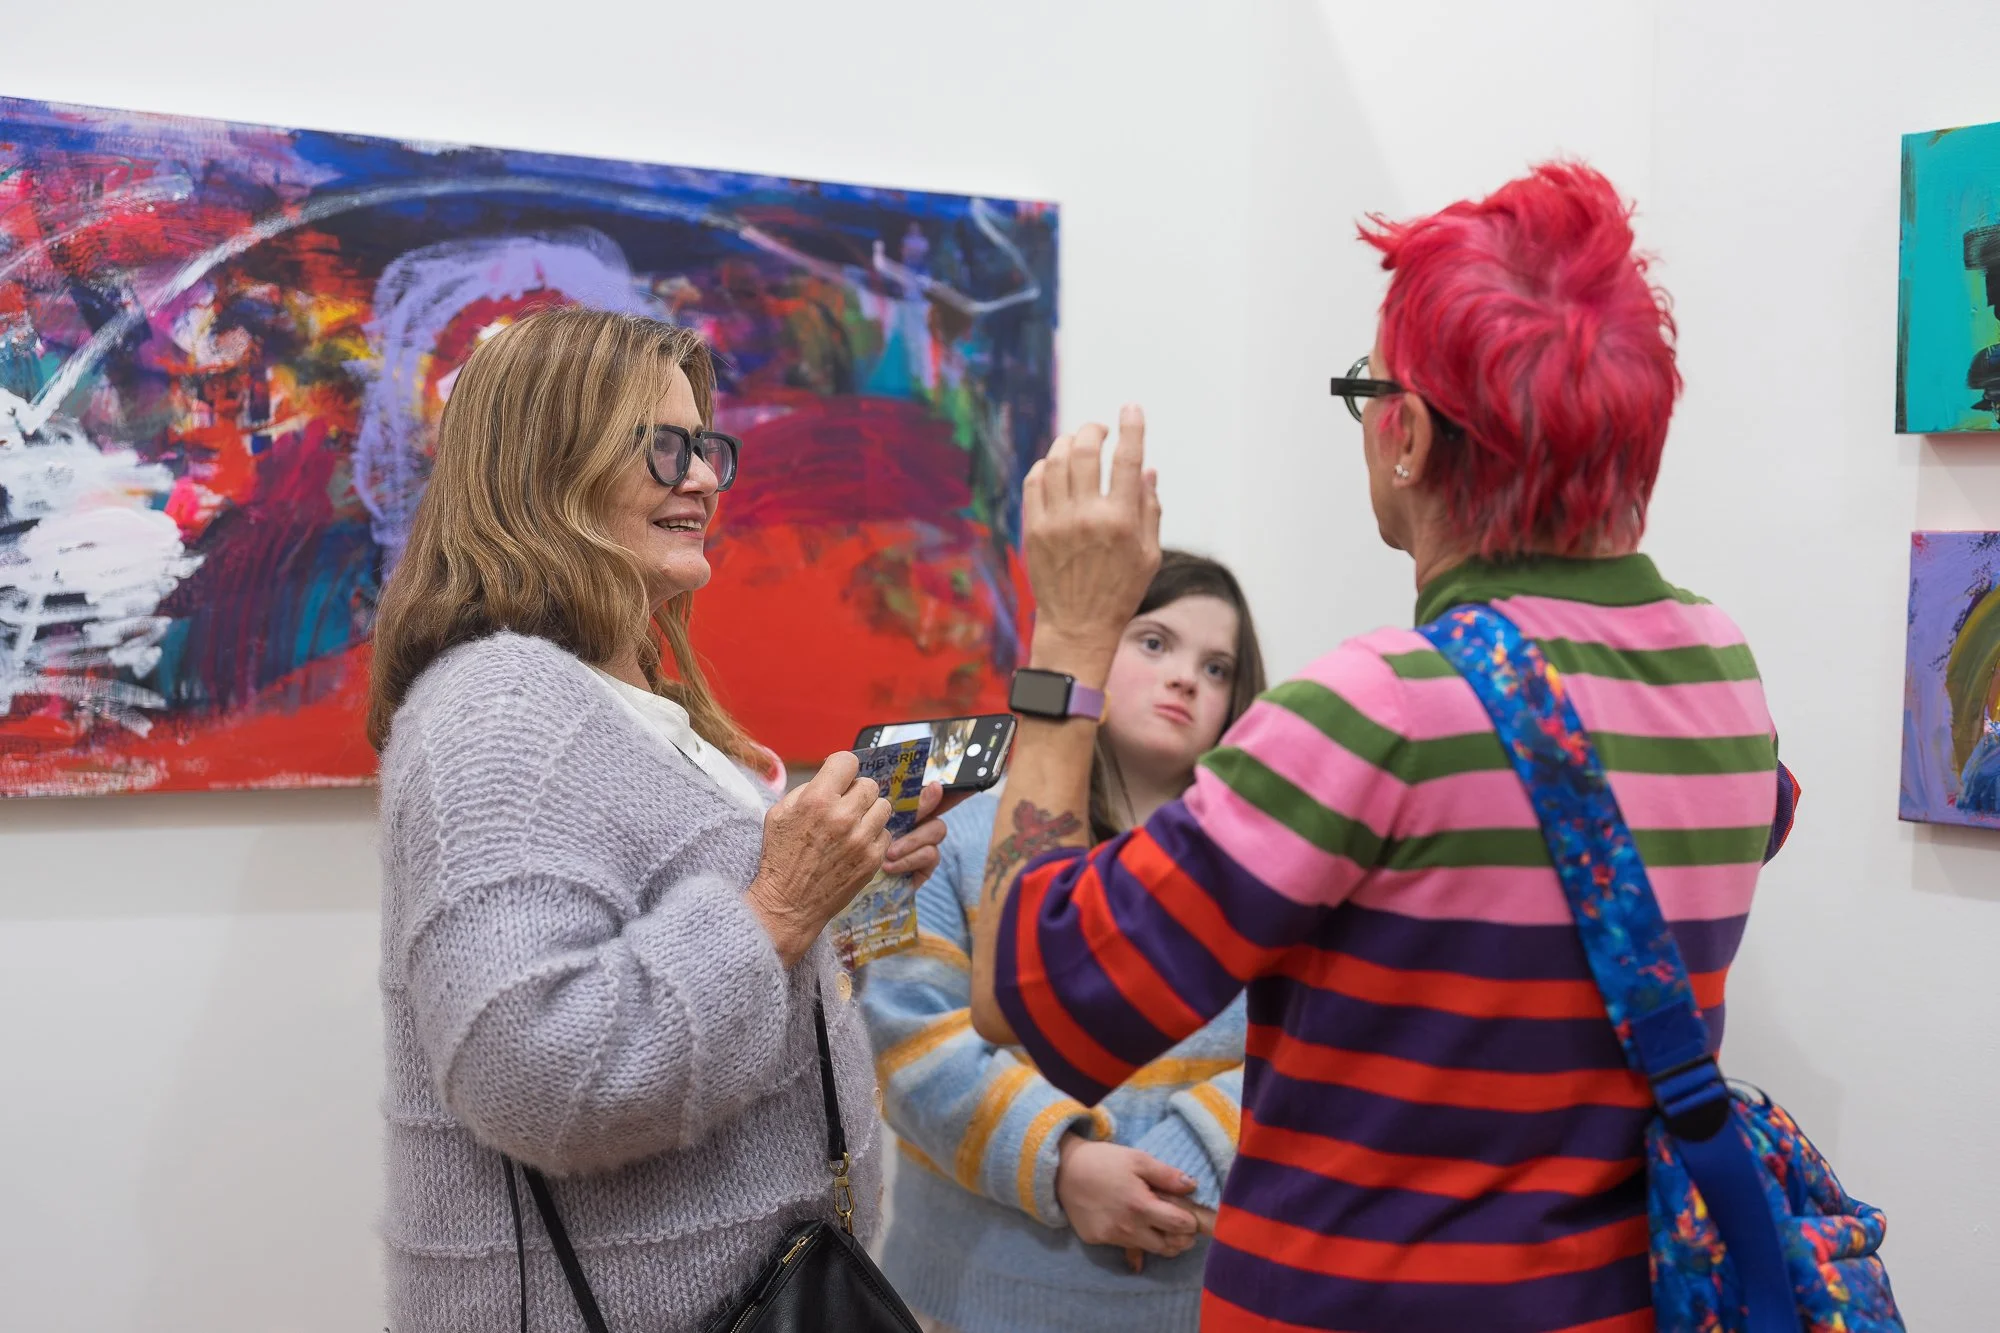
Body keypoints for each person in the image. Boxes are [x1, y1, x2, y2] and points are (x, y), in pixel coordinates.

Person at [967, 163, 1801, 1332]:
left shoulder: (1374, 714)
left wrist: (1068, 637)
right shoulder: (1721, 676)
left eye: (1368, 392)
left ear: (1402, 434)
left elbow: (1029, 994)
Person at [365, 306, 946, 1333]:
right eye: (665, 447)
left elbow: (725, 968)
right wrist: (779, 904)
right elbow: (533, 1072)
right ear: (548, 462)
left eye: (706, 447)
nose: (705, 478)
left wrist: (841, 889)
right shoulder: (498, 712)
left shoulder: (624, 702)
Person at [862, 551, 1268, 1333]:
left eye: (1216, 666)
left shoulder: (1266, 862)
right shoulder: (955, 834)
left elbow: (1304, 1039)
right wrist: (1066, 1162)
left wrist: (1186, 1159)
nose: (1186, 678)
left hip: (1198, 1294)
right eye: (1155, 642)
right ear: (1093, 647)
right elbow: (907, 1036)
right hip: (974, 1298)